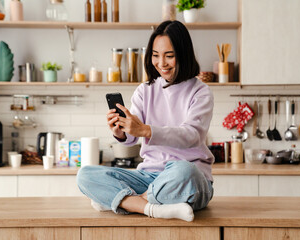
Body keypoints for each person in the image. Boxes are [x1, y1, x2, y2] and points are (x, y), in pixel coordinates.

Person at [77, 20, 214, 222]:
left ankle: (125, 202)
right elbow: (133, 135)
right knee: (85, 175)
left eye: (169, 56)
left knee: (185, 170)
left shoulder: (200, 92)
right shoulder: (145, 90)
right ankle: (154, 207)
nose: (161, 63)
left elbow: (191, 135)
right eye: (155, 56)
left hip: (184, 178)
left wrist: (146, 131)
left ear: (183, 54)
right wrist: (120, 131)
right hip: (148, 177)